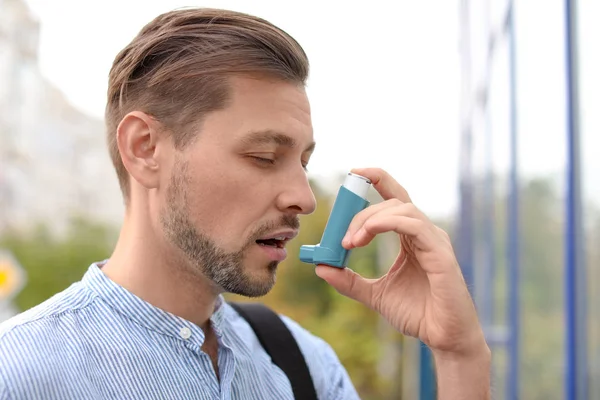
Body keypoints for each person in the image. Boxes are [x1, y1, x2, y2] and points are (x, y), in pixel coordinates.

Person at [0, 7, 491, 399]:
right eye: (263, 156)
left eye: (302, 161)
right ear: (145, 149)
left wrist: (460, 356)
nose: (303, 198)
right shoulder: (17, 376)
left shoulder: (304, 366)